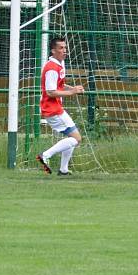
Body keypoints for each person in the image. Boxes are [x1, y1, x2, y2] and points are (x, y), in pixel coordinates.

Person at [35, 37, 84, 175]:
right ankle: (45, 155)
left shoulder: (59, 64)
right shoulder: (51, 68)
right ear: (53, 50)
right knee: (76, 139)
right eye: (61, 48)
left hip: (56, 109)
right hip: (52, 110)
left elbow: (59, 85)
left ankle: (63, 170)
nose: (64, 51)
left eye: (65, 48)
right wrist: (73, 92)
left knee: (72, 138)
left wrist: (72, 88)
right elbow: (50, 92)